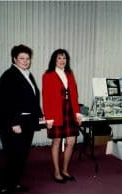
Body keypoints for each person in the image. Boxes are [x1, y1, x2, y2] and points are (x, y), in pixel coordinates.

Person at [0, 44, 43, 194]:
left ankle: (14, 183)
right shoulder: (9, 75)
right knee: (14, 156)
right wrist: (14, 123)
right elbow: (6, 102)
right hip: (14, 123)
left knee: (22, 155)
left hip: (27, 122)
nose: (25, 61)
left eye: (27, 58)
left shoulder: (27, 74)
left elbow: (33, 97)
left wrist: (39, 114)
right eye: (21, 58)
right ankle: (6, 187)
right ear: (14, 59)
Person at [42, 49, 82, 184]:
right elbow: (46, 97)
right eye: (59, 58)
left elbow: (75, 95)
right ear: (54, 59)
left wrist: (77, 113)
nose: (62, 60)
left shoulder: (70, 74)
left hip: (70, 111)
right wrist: (48, 118)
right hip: (56, 113)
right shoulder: (48, 75)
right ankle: (57, 171)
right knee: (57, 142)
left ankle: (65, 170)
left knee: (71, 142)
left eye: (64, 58)